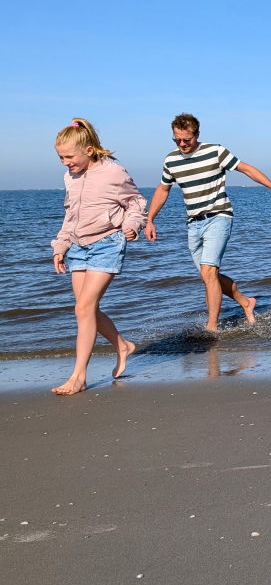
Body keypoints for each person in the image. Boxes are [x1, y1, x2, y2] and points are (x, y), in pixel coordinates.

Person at [144, 112, 271, 330]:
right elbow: (163, 188)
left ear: (197, 135)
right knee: (208, 276)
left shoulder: (215, 151)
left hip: (219, 216)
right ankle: (246, 302)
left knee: (209, 272)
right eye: (177, 140)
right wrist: (150, 219)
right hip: (193, 224)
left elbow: (246, 168)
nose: (182, 144)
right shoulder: (171, 160)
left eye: (187, 139)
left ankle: (211, 327)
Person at [49, 118, 146, 395]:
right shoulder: (71, 177)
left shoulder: (113, 172)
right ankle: (123, 346)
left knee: (83, 309)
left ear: (89, 150)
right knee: (84, 308)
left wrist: (131, 226)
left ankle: (79, 377)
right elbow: (71, 215)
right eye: (60, 157)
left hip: (108, 243)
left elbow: (136, 202)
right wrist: (60, 246)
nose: (65, 162)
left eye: (69, 156)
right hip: (78, 246)